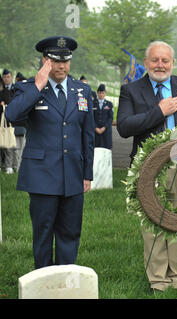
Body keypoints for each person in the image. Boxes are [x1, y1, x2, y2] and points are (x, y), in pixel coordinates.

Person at [117, 40, 177, 292]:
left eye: (165, 60)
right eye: (155, 60)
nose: (160, 65)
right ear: (146, 63)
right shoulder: (131, 90)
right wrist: (159, 111)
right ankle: (158, 281)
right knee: (152, 226)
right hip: (148, 168)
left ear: (172, 62)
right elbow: (124, 127)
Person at [5, 36, 95, 269]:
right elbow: (12, 116)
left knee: (70, 232)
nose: (62, 66)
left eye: (66, 61)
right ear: (45, 61)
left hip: (73, 174)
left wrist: (87, 174)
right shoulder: (29, 88)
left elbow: (87, 136)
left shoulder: (82, 90)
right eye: (56, 61)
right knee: (43, 233)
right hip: (41, 175)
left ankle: (65, 282)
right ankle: (43, 284)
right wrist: (38, 85)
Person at [0, 68, 15, 174]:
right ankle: (2, 165)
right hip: (1, 120)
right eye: (4, 77)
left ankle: (9, 165)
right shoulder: (1, 90)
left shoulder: (16, 89)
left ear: (11, 76)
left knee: (9, 144)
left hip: (12, 121)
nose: (6, 79)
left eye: (8, 77)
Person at [93, 84, 114, 149]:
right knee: (95, 150)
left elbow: (110, 118)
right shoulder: (92, 103)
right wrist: (95, 128)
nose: (101, 95)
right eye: (99, 93)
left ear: (105, 93)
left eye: (102, 93)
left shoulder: (109, 104)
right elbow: (90, 117)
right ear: (97, 93)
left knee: (106, 150)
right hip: (95, 131)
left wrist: (104, 127)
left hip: (106, 131)